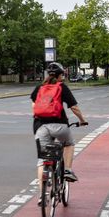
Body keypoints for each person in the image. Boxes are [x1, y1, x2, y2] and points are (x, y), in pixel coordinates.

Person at [31, 62, 88, 201]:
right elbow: (74, 107)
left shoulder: (39, 88)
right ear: (60, 75)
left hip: (40, 127)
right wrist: (82, 120)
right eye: (63, 74)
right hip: (60, 126)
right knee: (69, 144)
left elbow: (34, 105)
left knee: (42, 160)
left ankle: (42, 196)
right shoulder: (62, 87)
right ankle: (67, 170)